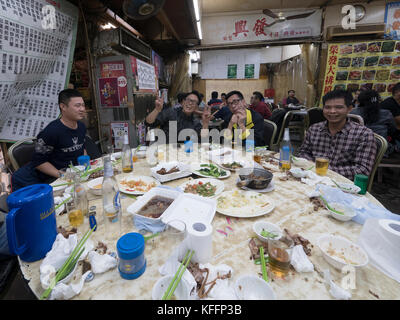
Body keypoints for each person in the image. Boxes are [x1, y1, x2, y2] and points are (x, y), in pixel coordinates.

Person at [11, 89, 88, 191]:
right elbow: (38, 162)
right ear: (63, 107)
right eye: (77, 106)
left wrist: (87, 166)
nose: (82, 109)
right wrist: (62, 175)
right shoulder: (51, 131)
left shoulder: (81, 127)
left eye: (83, 105)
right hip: (47, 180)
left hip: (72, 175)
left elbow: (82, 149)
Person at [298, 89, 377, 181]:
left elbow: (362, 170)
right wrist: (311, 167)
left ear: (349, 108)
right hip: (311, 179)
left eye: (338, 107)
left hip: (342, 185)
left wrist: (322, 170)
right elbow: (304, 152)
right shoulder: (314, 129)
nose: (332, 111)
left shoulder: (363, 134)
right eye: (327, 107)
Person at [145, 90, 210, 143]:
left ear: (196, 107)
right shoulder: (171, 112)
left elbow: (203, 141)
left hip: (185, 154)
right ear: (183, 101)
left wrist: (205, 123)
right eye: (188, 100)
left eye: (194, 102)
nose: (190, 103)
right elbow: (149, 123)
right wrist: (156, 110)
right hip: (166, 152)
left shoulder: (195, 122)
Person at [351, 90, 399, 156]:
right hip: (380, 150)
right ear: (378, 100)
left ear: (360, 100)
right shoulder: (386, 113)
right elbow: (393, 130)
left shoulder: (353, 113)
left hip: (356, 149)